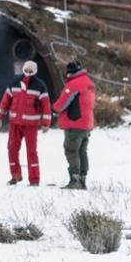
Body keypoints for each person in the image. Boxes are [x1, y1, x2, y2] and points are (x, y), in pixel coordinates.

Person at [0, 61, 51, 187]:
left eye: (31, 70)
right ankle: (15, 176)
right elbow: (5, 101)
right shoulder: (14, 83)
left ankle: (34, 180)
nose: (28, 71)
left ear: (35, 70)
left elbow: (46, 105)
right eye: (27, 69)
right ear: (24, 69)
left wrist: (46, 123)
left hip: (31, 125)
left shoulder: (40, 85)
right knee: (12, 149)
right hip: (15, 123)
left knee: (31, 152)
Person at [54, 61, 96, 190]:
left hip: (74, 123)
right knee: (82, 151)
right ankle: (82, 180)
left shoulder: (74, 84)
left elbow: (61, 104)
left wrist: (53, 108)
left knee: (71, 151)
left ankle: (75, 180)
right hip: (87, 123)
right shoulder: (89, 82)